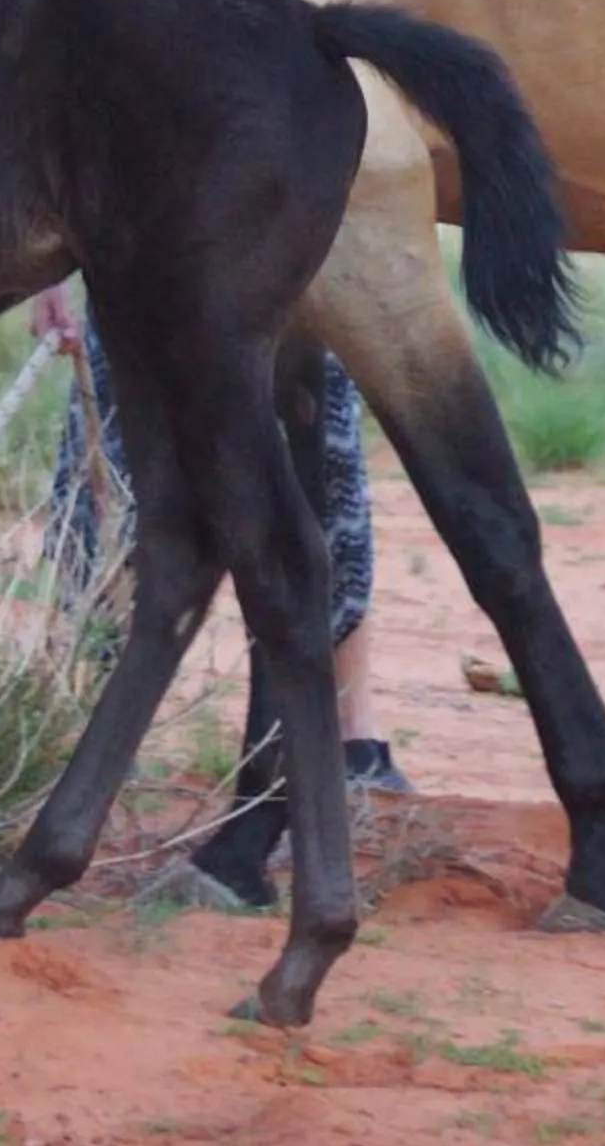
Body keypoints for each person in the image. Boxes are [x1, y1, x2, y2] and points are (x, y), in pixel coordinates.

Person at [31, 285, 411, 794]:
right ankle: (96, 720)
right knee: (113, 448)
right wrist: (49, 279)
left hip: (294, 237)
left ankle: (350, 727)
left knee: (324, 454)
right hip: (141, 233)